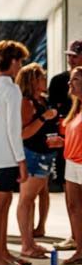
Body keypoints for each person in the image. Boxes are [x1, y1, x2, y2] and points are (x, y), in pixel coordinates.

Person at [0, 40, 31, 265]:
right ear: (12, 62)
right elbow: (13, 128)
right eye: (20, 61)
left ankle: (1, 252)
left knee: (1, 204)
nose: (20, 66)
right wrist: (21, 161)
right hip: (7, 155)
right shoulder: (11, 89)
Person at [16, 63, 64, 259]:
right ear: (32, 81)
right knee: (26, 200)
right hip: (32, 155)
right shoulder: (26, 103)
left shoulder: (43, 100)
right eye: (41, 77)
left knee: (32, 199)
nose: (45, 80)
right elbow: (24, 133)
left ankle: (31, 241)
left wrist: (53, 139)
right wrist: (44, 118)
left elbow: (41, 132)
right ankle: (26, 245)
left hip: (44, 154)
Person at [48, 40, 82, 251]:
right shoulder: (74, 107)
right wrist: (63, 141)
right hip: (70, 158)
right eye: (69, 55)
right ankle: (78, 244)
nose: (70, 59)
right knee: (73, 204)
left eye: (75, 55)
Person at [61, 66, 82, 265]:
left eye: (74, 79)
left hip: (81, 163)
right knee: (74, 208)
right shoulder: (76, 108)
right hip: (71, 162)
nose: (70, 83)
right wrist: (62, 142)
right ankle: (80, 250)